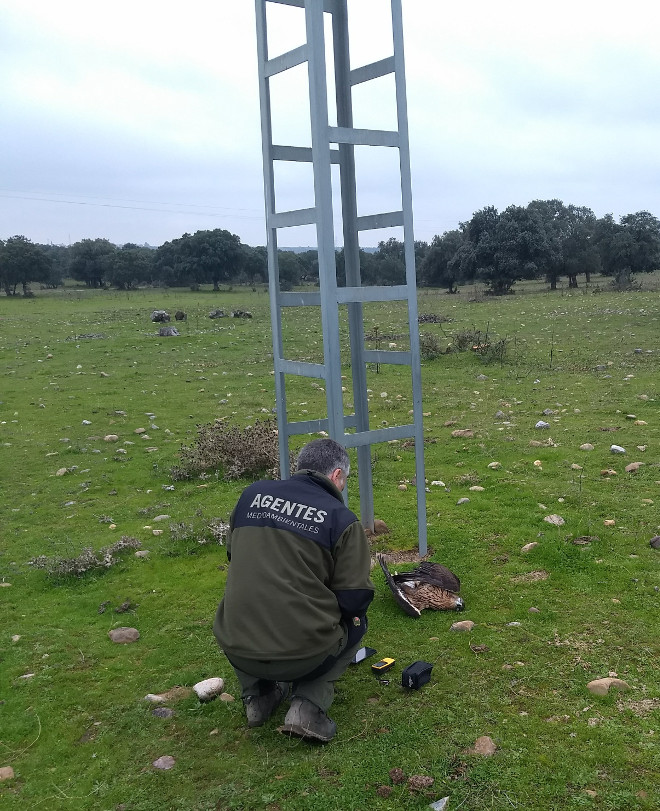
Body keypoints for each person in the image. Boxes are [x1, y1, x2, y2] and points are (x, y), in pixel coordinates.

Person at [213, 438, 374, 743]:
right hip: (304, 654)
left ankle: (258, 697)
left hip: (237, 647)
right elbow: (355, 598)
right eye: (345, 481)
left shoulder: (251, 496)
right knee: (357, 622)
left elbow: (234, 556)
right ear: (337, 476)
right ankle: (308, 706)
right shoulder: (341, 519)